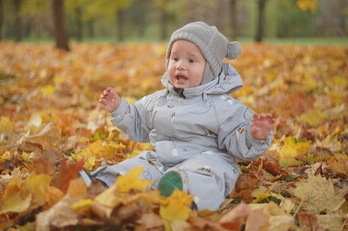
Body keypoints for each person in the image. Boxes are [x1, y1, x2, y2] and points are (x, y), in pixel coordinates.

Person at [89, 21, 275, 211]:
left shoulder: (224, 106)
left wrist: (253, 135)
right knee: (137, 166)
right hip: (162, 160)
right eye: (174, 58)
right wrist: (119, 108)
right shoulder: (158, 100)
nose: (180, 66)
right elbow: (138, 123)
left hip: (207, 160)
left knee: (211, 176)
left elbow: (238, 144)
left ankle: (185, 190)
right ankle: (101, 182)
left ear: (210, 69)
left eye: (191, 61)